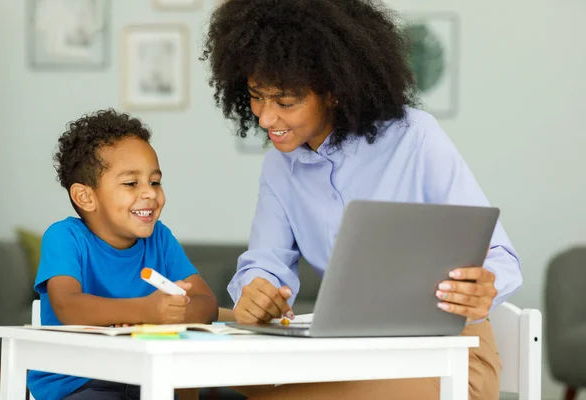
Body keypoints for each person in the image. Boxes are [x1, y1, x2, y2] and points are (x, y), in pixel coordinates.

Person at [202, 0, 522, 399]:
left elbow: (500, 256)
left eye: (285, 102)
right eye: (255, 96)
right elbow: (267, 262)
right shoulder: (278, 168)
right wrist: (257, 291)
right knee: (211, 376)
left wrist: (483, 288)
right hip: (345, 355)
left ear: (333, 92)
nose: (266, 118)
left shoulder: (416, 138)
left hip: (447, 358)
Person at [27, 109, 216, 400]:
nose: (150, 193)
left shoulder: (160, 239)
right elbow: (68, 306)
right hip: (79, 384)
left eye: (155, 182)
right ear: (85, 197)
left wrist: (174, 313)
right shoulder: (65, 237)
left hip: (146, 378)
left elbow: (208, 304)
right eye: (131, 183)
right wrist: (148, 311)